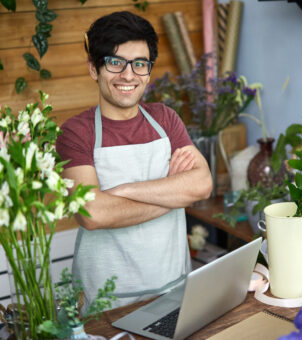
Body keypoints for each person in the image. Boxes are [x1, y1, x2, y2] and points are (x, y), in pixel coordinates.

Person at [56, 11, 212, 313]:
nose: (129, 75)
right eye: (116, 62)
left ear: (148, 71)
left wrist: (120, 191)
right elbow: (92, 214)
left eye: (139, 64)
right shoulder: (76, 132)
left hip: (174, 290)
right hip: (105, 303)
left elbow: (202, 185)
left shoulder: (166, 119)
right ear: (94, 68)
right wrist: (175, 194)